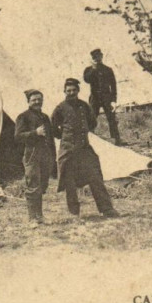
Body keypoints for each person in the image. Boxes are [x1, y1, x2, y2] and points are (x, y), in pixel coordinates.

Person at [51, 79, 119, 218]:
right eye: (68, 90)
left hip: (84, 149)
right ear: (64, 92)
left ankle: (106, 209)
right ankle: (74, 213)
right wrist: (65, 136)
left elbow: (92, 122)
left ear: (78, 91)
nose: (71, 93)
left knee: (95, 178)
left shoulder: (84, 106)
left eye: (74, 90)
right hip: (69, 150)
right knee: (70, 182)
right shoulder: (60, 108)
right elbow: (53, 128)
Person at [15, 90, 57, 226]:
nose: (37, 102)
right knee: (33, 185)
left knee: (42, 185)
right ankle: (33, 218)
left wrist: (52, 156)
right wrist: (35, 133)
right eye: (34, 100)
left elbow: (51, 137)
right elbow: (18, 136)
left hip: (46, 154)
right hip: (32, 153)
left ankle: (40, 216)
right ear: (28, 102)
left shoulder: (45, 117)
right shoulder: (23, 117)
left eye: (39, 99)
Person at [83, 49, 123, 147]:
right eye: (94, 57)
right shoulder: (89, 70)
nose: (97, 59)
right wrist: (93, 68)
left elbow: (113, 86)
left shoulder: (108, 70)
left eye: (98, 56)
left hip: (107, 98)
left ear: (102, 56)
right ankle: (88, 140)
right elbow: (87, 80)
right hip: (94, 98)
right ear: (92, 58)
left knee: (112, 119)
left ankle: (117, 140)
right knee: (91, 118)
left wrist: (114, 100)